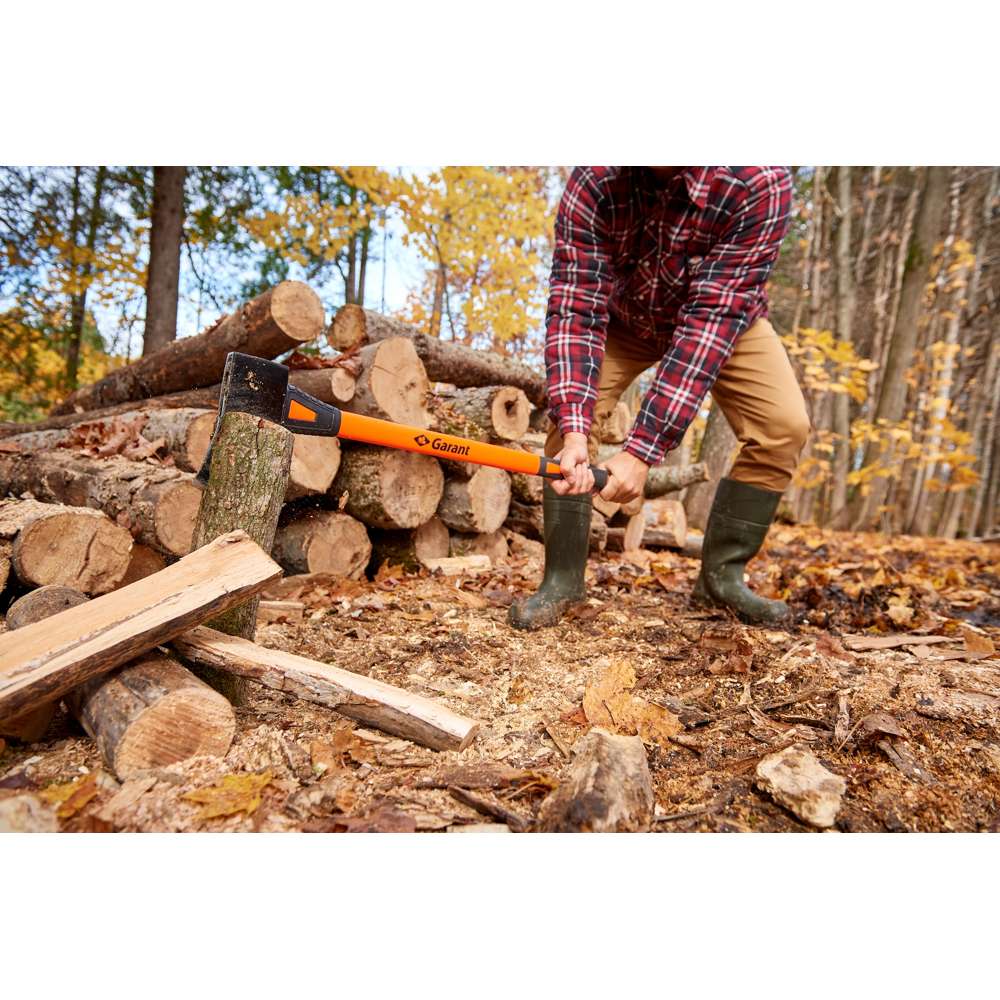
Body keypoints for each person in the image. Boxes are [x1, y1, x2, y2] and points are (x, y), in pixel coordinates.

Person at [509, 166, 810, 630]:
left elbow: (709, 324)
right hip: (625, 319)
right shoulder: (597, 177)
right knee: (569, 415)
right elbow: (575, 303)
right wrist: (574, 430)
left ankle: (721, 580)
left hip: (724, 323)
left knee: (784, 428)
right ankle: (562, 581)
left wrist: (642, 450)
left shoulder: (757, 181)